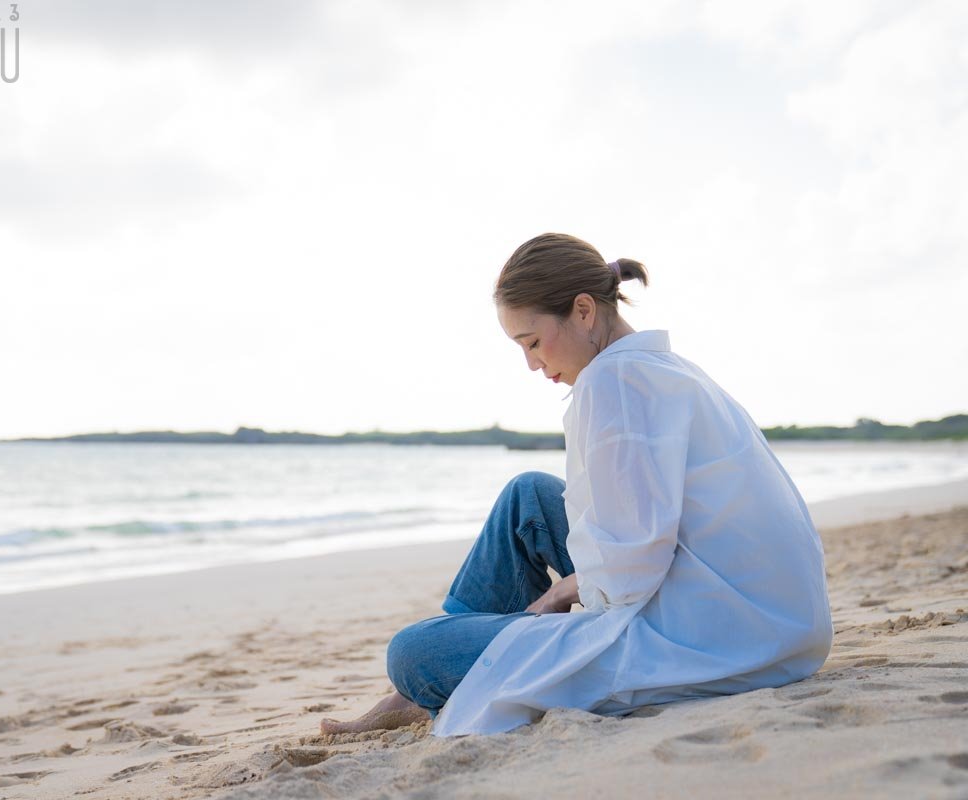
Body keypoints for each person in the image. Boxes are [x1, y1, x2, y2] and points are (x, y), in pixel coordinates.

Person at [320, 232, 834, 738]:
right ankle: (450, 671)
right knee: (530, 498)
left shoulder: (613, 383)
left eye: (533, 341)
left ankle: (437, 678)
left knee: (413, 654)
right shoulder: (665, 367)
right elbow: (647, 530)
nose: (532, 363)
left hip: (719, 632)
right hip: (776, 620)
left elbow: (633, 570)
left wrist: (561, 593)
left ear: (584, 311)